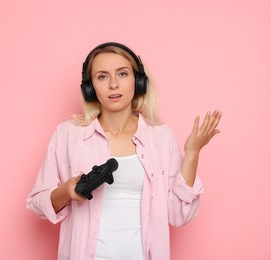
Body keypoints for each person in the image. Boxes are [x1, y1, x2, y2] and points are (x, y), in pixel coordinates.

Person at [26, 42, 222, 260]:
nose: (113, 85)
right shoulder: (68, 135)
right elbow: (37, 204)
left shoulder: (161, 136)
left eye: (122, 74)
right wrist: (66, 191)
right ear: (90, 88)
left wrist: (192, 153)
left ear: (138, 82)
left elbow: (179, 215)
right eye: (102, 76)